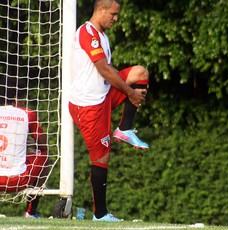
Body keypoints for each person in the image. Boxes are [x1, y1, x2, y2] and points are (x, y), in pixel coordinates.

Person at [68, 0, 149, 222]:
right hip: (89, 107)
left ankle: (125, 128)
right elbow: (104, 70)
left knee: (140, 73)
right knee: (101, 158)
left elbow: (107, 70)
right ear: (100, 10)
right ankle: (100, 215)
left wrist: (129, 89)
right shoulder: (87, 32)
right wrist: (130, 94)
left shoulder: (103, 36)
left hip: (103, 96)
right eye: (113, 14)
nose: (116, 18)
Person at [0, 80, 48, 218]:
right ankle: (31, 211)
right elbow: (43, 144)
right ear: (17, 98)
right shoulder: (27, 113)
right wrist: (27, 144)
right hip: (17, 179)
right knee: (44, 154)